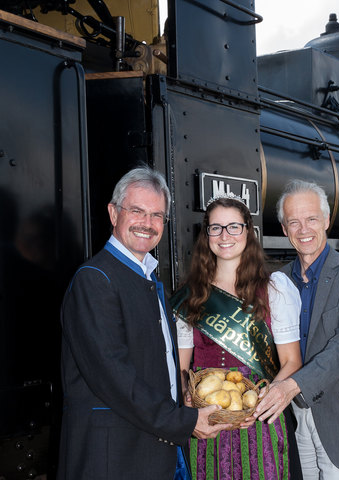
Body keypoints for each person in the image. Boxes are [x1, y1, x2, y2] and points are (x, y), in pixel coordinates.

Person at [57, 166, 229, 480]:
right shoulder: (95, 280)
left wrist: (183, 397)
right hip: (114, 458)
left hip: (152, 451)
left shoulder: (150, 279)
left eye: (156, 216)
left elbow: (155, 362)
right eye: (137, 211)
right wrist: (184, 421)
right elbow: (114, 376)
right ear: (113, 213)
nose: (147, 224)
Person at [253, 180, 339, 479]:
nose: (303, 230)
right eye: (294, 222)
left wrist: (290, 387)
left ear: (327, 221)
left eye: (311, 219)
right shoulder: (278, 281)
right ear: (284, 228)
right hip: (296, 416)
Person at [171, 194, 303, 479]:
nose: (224, 235)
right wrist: (187, 403)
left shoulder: (275, 290)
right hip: (207, 417)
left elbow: (291, 362)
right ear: (206, 235)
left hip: (259, 416)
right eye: (215, 227)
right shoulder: (190, 295)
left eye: (234, 226)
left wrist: (259, 403)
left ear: (248, 232)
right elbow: (181, 367)